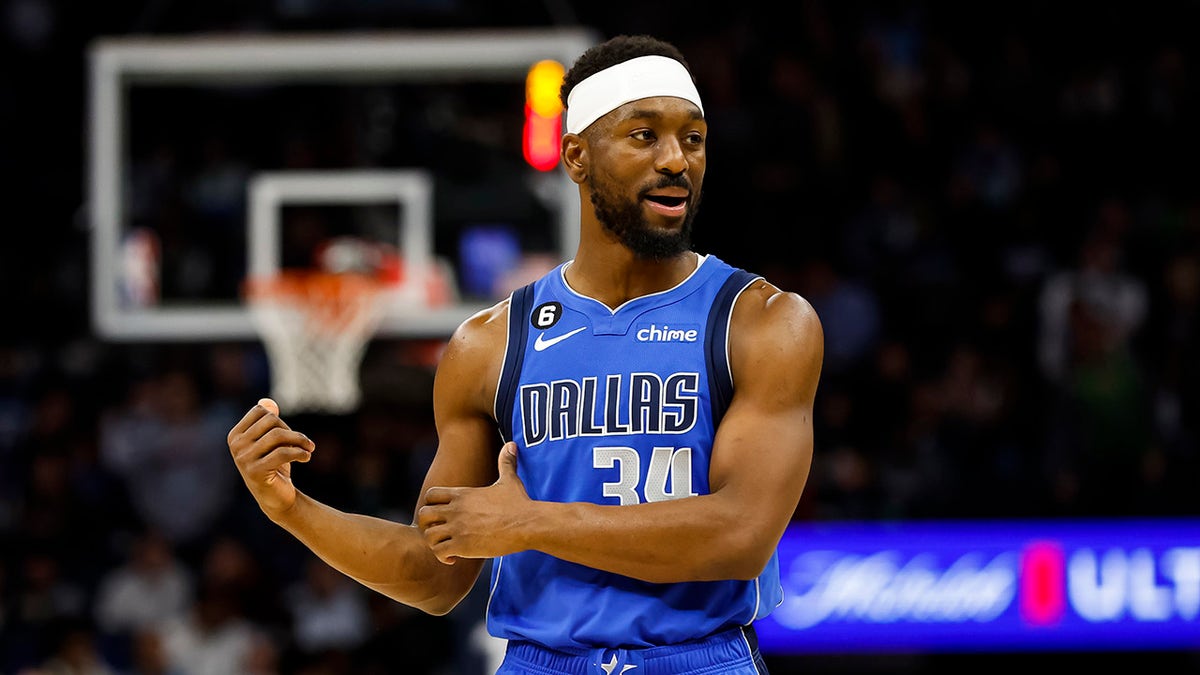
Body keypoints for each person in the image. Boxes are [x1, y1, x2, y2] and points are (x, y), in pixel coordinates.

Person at [226, 33, 824, 675]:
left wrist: (531, 523)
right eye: (644, 135)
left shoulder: (760, 323)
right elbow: (436, 573)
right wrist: (293, 510)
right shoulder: (489, 344)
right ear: (576, 155)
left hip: (697, 659)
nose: (677, 159)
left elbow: (740, 536)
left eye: (694, 138)